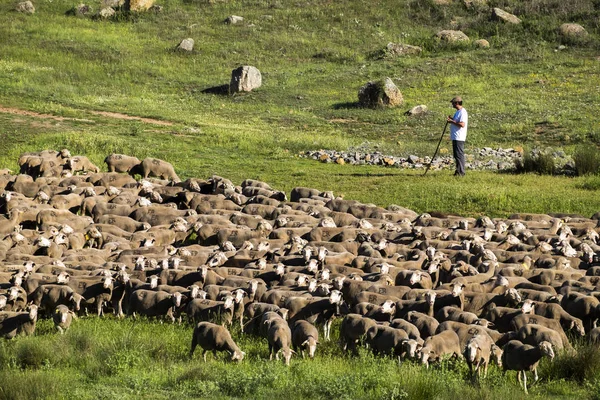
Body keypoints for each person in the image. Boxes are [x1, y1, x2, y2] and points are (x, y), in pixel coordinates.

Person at [447, 96, 468, 176]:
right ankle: (458, 171)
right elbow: (457, 121)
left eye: (453, 103)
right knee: (456, 155)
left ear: (457, 103)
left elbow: (462, 124)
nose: (452, 104)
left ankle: (461, 172)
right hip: (455, 136)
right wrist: (452, 119)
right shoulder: (458, 112)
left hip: (459, 137)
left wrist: (452, 121)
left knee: (459, 155)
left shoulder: (463, 112)